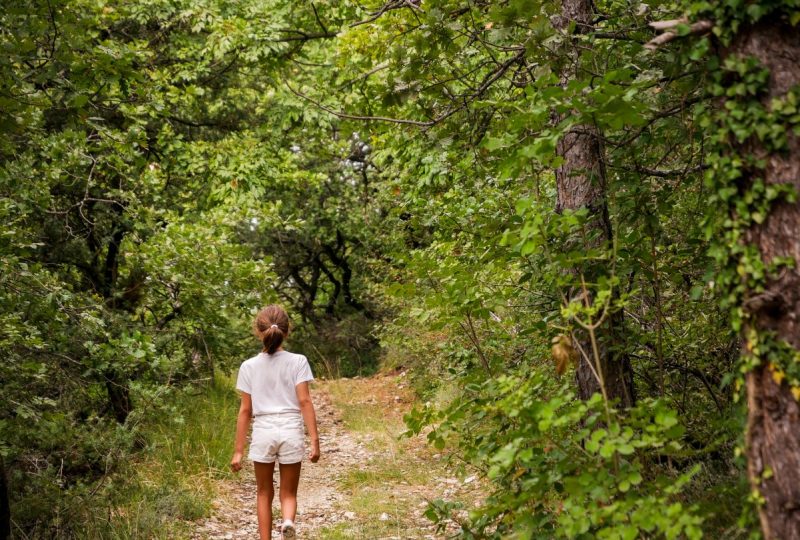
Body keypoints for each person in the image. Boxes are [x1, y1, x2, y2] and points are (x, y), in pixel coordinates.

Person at [230, 305, 321, 540]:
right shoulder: (298, 361)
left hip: (263, 431)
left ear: (258, 331)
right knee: (289, 492)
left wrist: (238, 451)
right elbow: (304, 401)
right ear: (287, 331)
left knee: (263, 492)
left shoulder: (248, 366)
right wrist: (314, 441)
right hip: (291, 428)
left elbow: (245, 411)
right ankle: (288, 521)